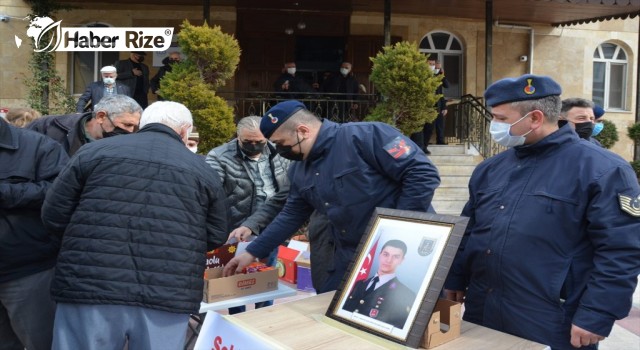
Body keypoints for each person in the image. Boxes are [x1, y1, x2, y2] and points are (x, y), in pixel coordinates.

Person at [443, 74, 640, 350]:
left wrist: (598, 313)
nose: (494, 125)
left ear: (535, 118)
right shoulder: (491, 168)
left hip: (554, 318)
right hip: (485, 309)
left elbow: (621, 250)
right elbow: (470, 228)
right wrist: (455, 277)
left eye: (500, 118)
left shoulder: (603, 170)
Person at [40, 101, 228, 350]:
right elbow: (216, 234)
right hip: (167, 292)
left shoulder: (92, 152)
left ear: (142, 124)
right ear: (185, 131)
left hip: (90, 281)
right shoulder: (202, 170)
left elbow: (53, 214)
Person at [223, 100, 441, 293]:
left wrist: (397, 228)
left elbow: (423, 175)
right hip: (350, 255)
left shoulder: (368, 135)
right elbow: (291, 214)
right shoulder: (300, 170)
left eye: (281, 143)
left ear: (302, 130)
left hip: (400, 253)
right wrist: (252, 252)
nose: (280, 150)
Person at [206, 116, 290, 314]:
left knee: (267, 276)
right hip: (235, 227)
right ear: (237, 137)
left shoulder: (279, 151)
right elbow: (212, 192)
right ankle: (238, 318)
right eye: (248, 142)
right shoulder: (219, 156)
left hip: (270, 224)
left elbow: (287, 188)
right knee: (235, 276)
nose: (254, 146)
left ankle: (264, 316)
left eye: (259, 142)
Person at [0, 117, 68, 350]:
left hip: (26, 271)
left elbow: (60, 191)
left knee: (43, 343)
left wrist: (6, 192)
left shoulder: (39, 146)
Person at [26, 94, 142, 156]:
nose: (131, 131)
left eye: (135, 127)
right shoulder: (47, 127)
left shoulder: (131, 145)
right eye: (127, 125)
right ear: (101, 117)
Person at [343, 239, 416, 329]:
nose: (389, 260)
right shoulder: (359, 284)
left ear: (402, 260)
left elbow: (397, 329)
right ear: (379, 255)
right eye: (385, 254)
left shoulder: (406, 295)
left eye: (396, 257)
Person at [422, 59, 449, 154]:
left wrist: (442, 75)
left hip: (438, 106)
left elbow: (445, 88)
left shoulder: (438, 77)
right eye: (431, 64)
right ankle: (423, 145)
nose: (433, 66)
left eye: (434, 64)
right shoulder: (424, 76)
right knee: (427, 128)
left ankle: (438, 141)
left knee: (438, 125)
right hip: (427, 107)